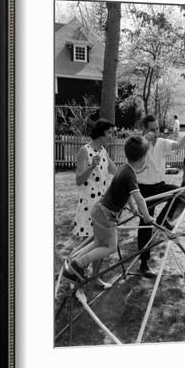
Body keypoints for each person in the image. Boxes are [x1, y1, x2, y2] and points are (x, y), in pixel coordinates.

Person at [64, 135, 154, 285]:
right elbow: (139, 198)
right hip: (105, 215)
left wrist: (132, 208)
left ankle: (74, 263)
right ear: (143, 158)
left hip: (99, 211)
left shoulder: (124, 169)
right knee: (111, 246)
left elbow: (130, 195)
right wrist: (147, 218)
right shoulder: (130, 175)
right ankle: (77, 265)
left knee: (99, 242)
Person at [137, 114, 185, 277]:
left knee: (181, 193)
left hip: (158, 185)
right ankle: (143, 264)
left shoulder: (162, 143)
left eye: (157, 128)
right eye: (151, 129)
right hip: (143, 190)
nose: (155, 132)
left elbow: (178, 145)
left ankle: (163, 222)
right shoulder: (140, 143)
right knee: (145, 226)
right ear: (144, 129)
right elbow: (134, 158)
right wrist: (146, 142)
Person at [73, 118, 117, 287]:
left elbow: (115, 171)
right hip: (88, 206)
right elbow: (78, 180)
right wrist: (91, 166)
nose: (112, 136)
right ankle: (75, 278)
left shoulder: (104, 151)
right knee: (86, 243)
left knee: (101, 243)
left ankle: (95, 278)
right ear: (100, 134)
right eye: (109, 133)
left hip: (101, 206)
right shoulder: (85, 151)